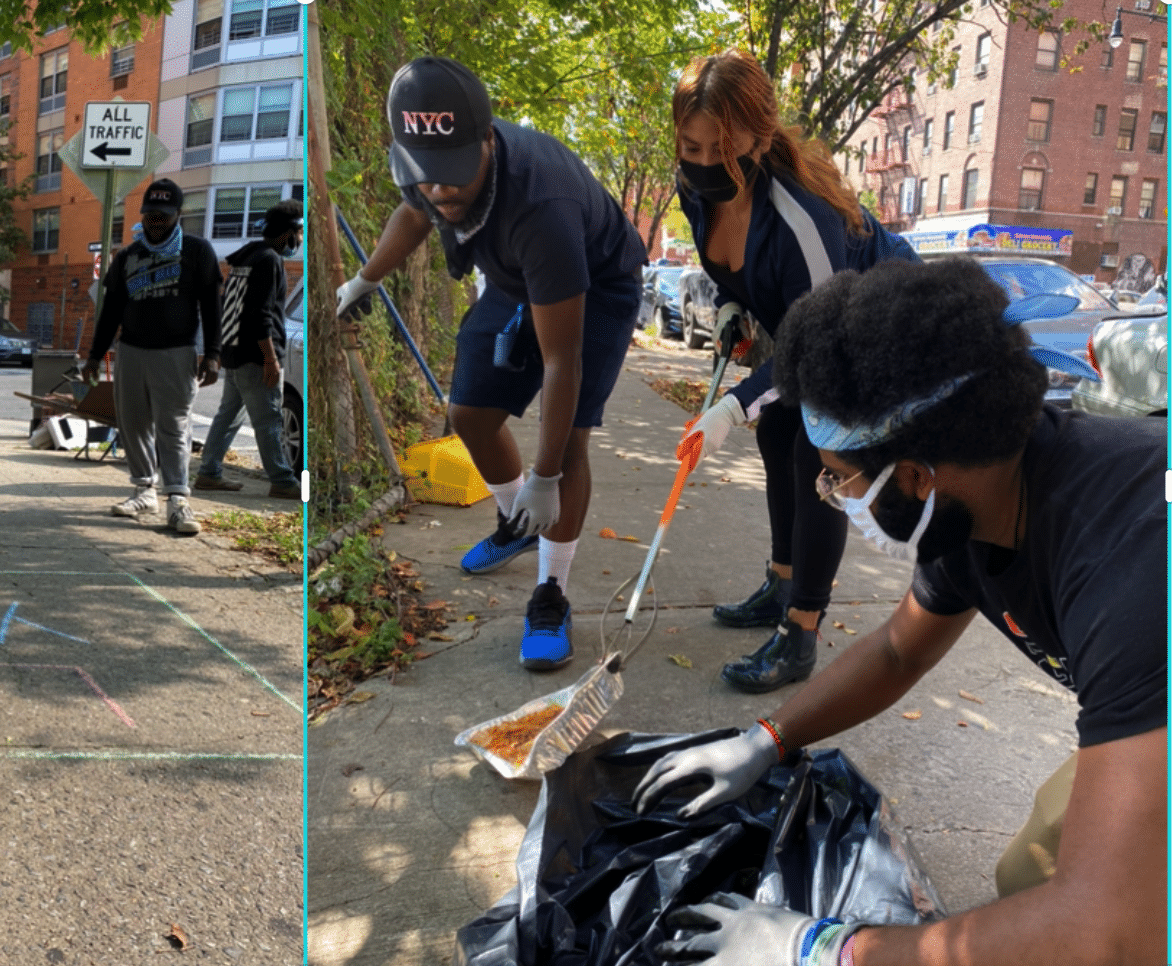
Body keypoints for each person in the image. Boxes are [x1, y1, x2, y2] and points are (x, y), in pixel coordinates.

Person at [635, 257, 1164, 966]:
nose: (831, 492)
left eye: (837, 477)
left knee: (1109, 926)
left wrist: (827, 949)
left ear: (912, 477)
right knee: (1029, 878)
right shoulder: (984, 492)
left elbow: (1103, 932)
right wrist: (767, 738)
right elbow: (898, 651)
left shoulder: (1125, 562)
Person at [335, 56, 645, 671]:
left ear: (487, 143)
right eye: (427, 175)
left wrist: (547, 475)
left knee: (570, 442)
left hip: (597, 285)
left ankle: (550, 590)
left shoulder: (543, 205)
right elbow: (414, 214)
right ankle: (515, 524)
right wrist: (364, 281)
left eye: (452, 174)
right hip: (512, 276)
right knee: (469, 411)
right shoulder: (429, 165)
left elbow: (561, 362)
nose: (440, 189)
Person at [672, 49, 918, 693]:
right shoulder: (693, 188)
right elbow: (728, 269)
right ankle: (780, 586)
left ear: (758, 134)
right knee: (775, 433)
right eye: (690, 147)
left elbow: (818, 342)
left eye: (718, 150)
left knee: (820, 456)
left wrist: (732, 404)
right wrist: (729, 306)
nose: (701, 165)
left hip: (873, 317)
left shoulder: (800, 219)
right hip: (811, 321)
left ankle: (801, 633)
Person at [85, 177, 223, 536]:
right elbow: (111, 309)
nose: (154, 222)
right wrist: (94, 356)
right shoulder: (128, 256)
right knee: (133, 423)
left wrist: (212, 354)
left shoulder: (197, 252)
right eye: (149, 215)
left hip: (176, 352)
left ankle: (177, 499)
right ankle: (144, 489)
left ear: (178, 214)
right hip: (131, 351)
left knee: (173, 425)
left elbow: (211, 305)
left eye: (162, 215)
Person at [194, 198, 303, 500]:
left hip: (236, 353)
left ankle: (208, 472)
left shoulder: (247, 258)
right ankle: (282, 480)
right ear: (287, 233)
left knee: (229, 415)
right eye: (300, 233)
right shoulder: (269, 261)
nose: (300, 241)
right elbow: (260, 314)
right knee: (269, 419)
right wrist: (270, 359)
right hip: (255, 357)